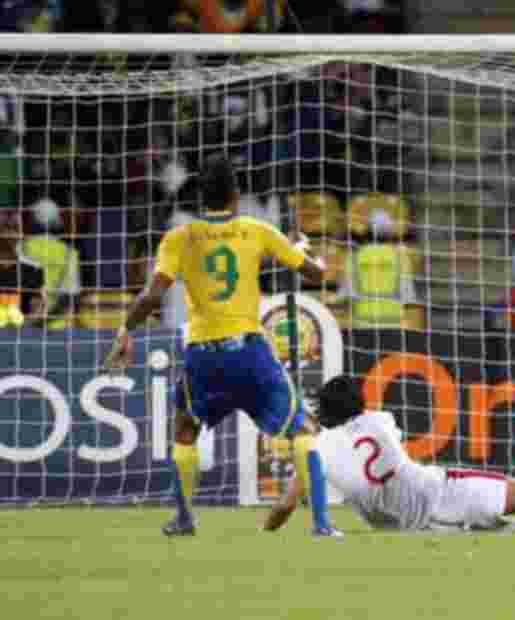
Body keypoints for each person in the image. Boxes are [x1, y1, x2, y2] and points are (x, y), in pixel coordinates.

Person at [102, 153, 341, 538]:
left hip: (204, 355)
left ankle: (183, 519)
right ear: (236, 194)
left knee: (184, 430)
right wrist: (304, 247)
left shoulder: (179, 238)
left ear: (201, 195)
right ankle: (322, 525)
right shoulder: (257, 230)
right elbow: (318, 274)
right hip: (249, 351)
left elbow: (151, 297)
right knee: (303, 430)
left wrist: (125, 331)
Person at [264, 375, 515, 534]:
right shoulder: (379, 420)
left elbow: (284, 507)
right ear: (359, 404)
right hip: (440, 492)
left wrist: (266, 531)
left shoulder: (317, 450)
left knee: (490, 527)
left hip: (405, 528)